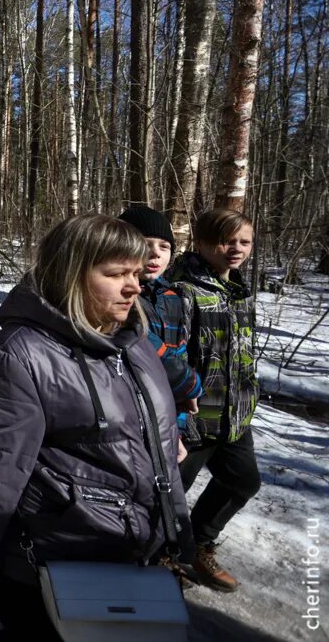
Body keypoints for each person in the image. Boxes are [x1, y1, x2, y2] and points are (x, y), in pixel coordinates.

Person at [0, 214, 193, 640]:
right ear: (71, 274)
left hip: (132, 556)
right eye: (116, 274)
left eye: (136, 272)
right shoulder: (18, 359)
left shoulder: (133, 342)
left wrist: (178, 537)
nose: (135, 287)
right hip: (49, 569)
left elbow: (160, 454)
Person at [166, 208, 260, 592]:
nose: (236, 248)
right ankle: (163, 558)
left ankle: (200, 544)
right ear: (202, 243)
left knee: (243, 482)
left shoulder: (240, 290)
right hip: (192, 419)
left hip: (235, 417)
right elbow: (170, 356)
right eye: (226, 240)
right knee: (169, 497)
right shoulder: (182, 290)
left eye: (244, 241)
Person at [118, 207, 203, 452]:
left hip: (167, 413)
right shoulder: (123, 296)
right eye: (145, 244)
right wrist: (189, 384)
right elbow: (147, 347)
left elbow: (179, 355)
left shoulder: (171, 297)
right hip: (132, 411)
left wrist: (178, 426)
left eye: (164, 246)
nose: (155, 253)